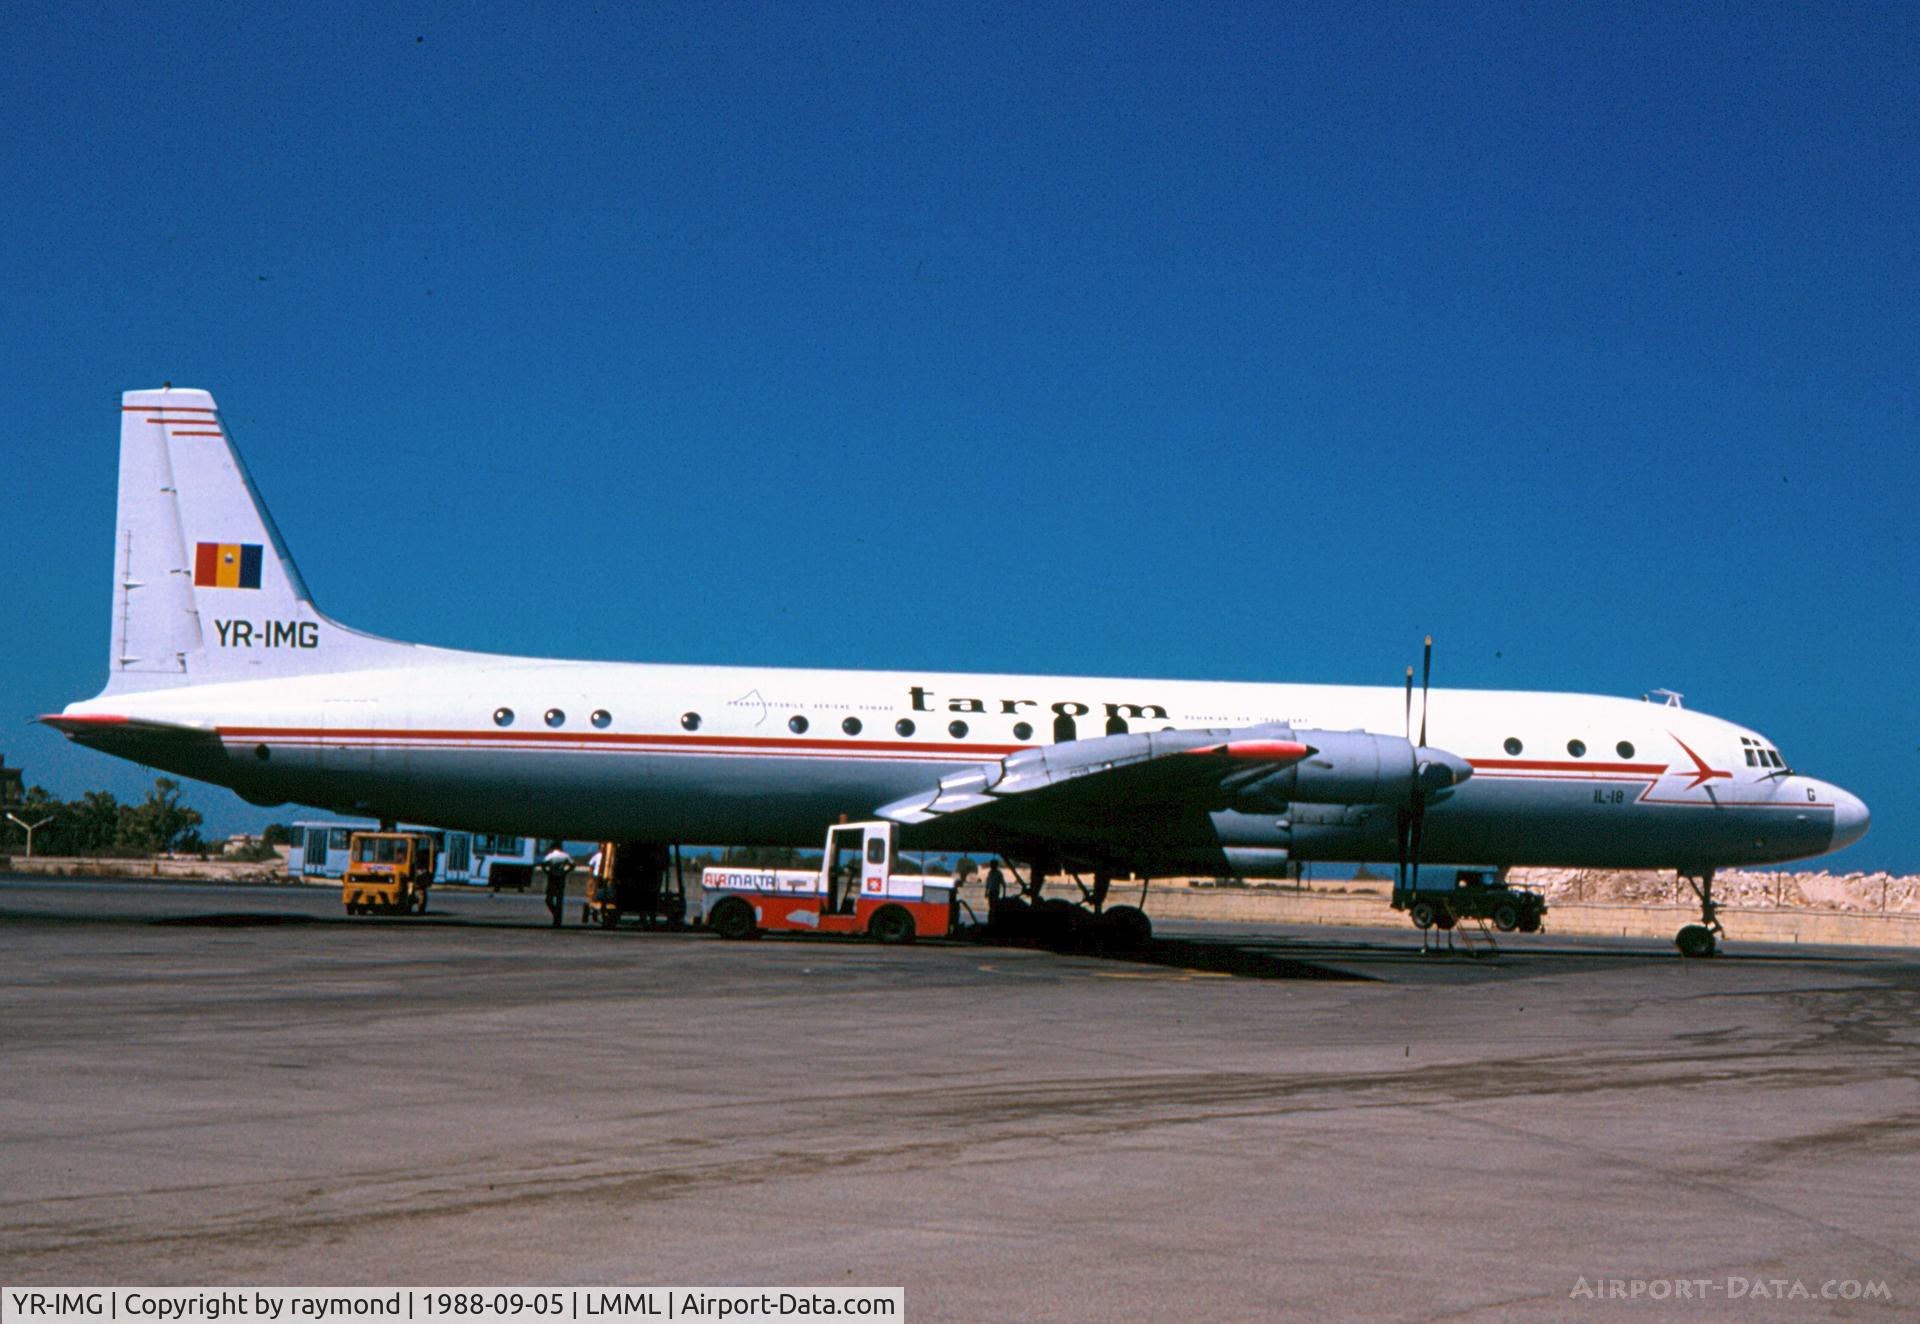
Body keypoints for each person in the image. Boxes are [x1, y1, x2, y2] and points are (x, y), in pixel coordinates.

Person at [541, 842, 574, 927]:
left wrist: (548, 871)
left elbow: (543, 864)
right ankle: (558, 919)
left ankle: (555, 914)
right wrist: (565, 871)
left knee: (549, 899)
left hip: (552, 878)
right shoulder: (565, 855)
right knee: (559, 900)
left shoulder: (550, 856)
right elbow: (572, 865)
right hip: (561, 878)